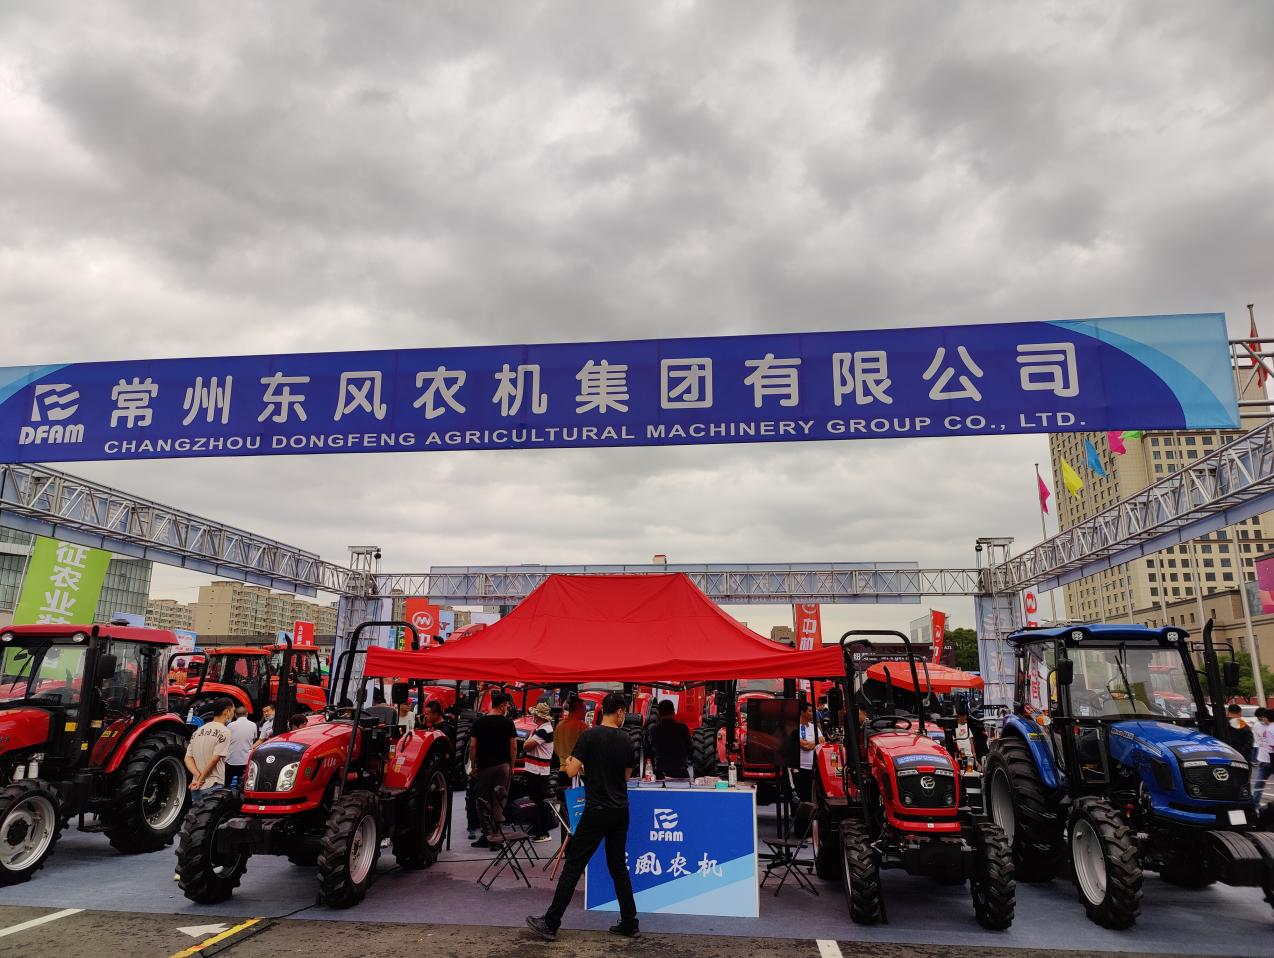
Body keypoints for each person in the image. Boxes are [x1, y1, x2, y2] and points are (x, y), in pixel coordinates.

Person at [527, 693, 638, 941]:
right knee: (618, 866)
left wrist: (575, 763)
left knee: (574, 865)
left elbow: (571, 771)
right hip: (620, 810)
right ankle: (630, 921)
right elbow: (626, 777)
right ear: (620, 712)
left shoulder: (589, 735)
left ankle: (551, 922)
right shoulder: (627, 740)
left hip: (596, 809)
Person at [470, 691, 517, 848]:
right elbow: (513, 747)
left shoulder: (479, 722)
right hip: (503, 766)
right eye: (507, 705)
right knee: (499, 801)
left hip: (485, 767)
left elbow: (473, 746)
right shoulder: (508, 723)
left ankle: (488, 835)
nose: (507, 708)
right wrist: (512, 766)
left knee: (482, 802)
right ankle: (497, 836)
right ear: (502, 706)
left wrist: (473, 765)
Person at [185, 698, 234, 803]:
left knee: (195, 812)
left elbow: (187, 758)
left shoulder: (198, 731)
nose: (233, 715)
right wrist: (202, 778)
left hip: (195, 786)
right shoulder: (224, 731)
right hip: (213, 785)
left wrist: (198, 777)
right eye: (233, 711)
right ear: (227, 711)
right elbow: (215, 759)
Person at [520, 701, 556, 842]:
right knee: (537, 800)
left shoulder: (543, 731)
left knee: (539, 802)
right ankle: (539, 828)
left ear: (539, 716)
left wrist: (525, 744)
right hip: (536, 770)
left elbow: (527, 746)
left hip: (538, 771)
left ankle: (543, 831)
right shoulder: (542, 729)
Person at [554, 697, 587, 840]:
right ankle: (577, 844)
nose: (585, 712)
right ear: (578, 709)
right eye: (584, 709)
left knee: (566, 813)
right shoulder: (582, 727)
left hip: (562, 772)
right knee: (578, 811)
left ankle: (565, 844)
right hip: (578, 775)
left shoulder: (559, 725)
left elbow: (556, 750)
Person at [648, 699, 692, 779]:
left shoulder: (653, 730)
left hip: (661, 774)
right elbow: (690, 749)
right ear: (673, 712)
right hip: (680, 773)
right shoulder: (683, 728)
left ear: (658, 713)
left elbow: (650, 752)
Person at [225, 705, 257, 789]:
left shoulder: (230, 726)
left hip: (231, 761)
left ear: (235, 715)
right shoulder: (253, 725)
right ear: (247, 714)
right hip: (245, 761)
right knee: (244, 785)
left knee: (227, 784)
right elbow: (253, 740)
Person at [792, 702, 816, 804]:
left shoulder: (814, 727)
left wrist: (811, 743)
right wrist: (815, 743)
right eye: (810, 711)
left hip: (812, 769)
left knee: (810, 797)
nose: (812, 713)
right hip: (799, 768)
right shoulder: (795, 728)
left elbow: (822, 741)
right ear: (802, 712)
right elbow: (804, 746)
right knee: (800, 797)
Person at [1253, 708, 1273, 808]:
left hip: (1271, 760)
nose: (1261, 720)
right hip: (1263, 761)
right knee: (1258, 785)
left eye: (1262, 718)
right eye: (1259, 718)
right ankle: (1255, 806)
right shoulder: (1257, 725)